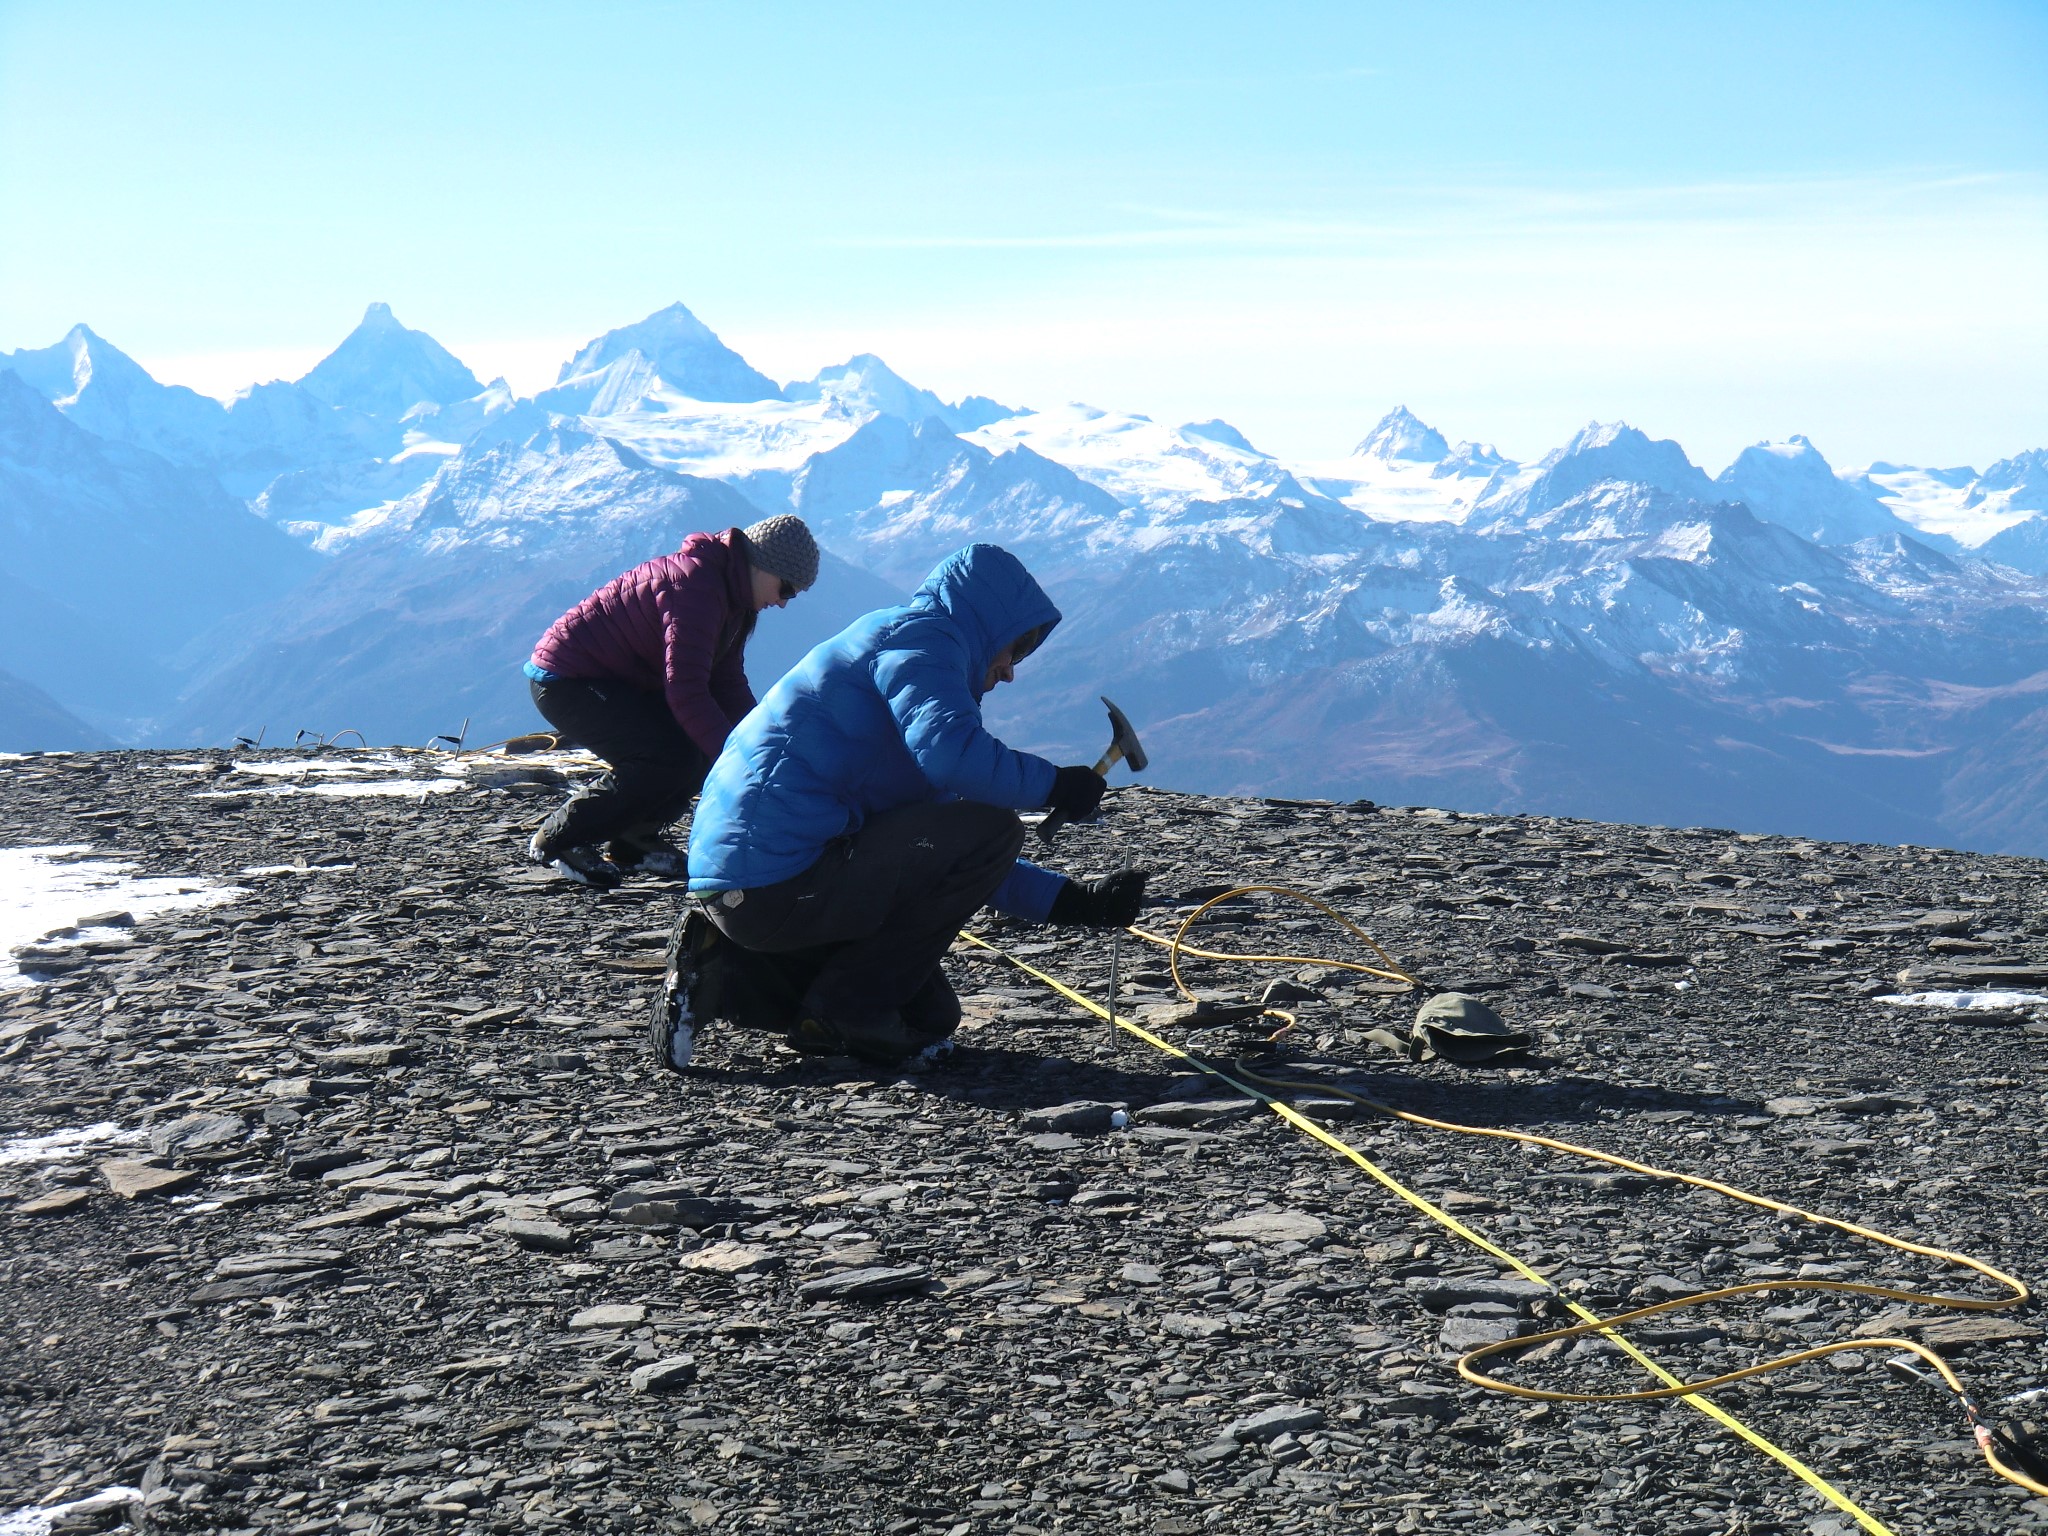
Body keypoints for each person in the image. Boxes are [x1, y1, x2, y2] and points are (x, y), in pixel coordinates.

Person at [651, 542, 1148, 1070]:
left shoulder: (901, 650)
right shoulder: (923, 642)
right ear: (988, 627)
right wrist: (1054, 785)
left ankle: (727, 971)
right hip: (776, 878)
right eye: (1015, 649)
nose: (1009, 671)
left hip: (750, 883)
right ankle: (840, 1011)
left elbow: (942, 847)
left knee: (930, 1016)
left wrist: (1076, 903)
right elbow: (955, 765)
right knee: (994, 831)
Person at [523, 514, 819, 889]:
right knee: (665, 755)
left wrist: (762, 743)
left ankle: (634, 839)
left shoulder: (732, 597)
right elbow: (688, 691)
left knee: (691, 747)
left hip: (615, 680)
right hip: (568, 679)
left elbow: (725, 682)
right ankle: (559, 838)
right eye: (787, 589)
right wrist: (737, 758)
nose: (783, 603)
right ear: (762, 566)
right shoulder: (697, 589)